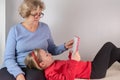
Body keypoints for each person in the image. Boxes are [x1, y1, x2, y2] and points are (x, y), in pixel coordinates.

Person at [0, 0, 73, 80]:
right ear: (26, 14)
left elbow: (52, 50)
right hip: (14, 66)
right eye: (34, 14)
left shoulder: (44, 28)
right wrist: (18, 74)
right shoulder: (15, 30)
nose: (37, 17)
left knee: (35, 78)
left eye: (40, 14)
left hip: (34, 67)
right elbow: (9, 58)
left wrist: (65, 46)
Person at [25, 42, 120, 80]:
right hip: (94, 71)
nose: (49, 53)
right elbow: (68, 78)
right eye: (46, 55)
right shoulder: (50, 73)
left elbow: (68, 67)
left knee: (116, 52)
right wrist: (74, 61)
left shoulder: (53, 64)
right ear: (42, 64)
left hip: (91, 66)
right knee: (108, 45)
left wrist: (71, 57)